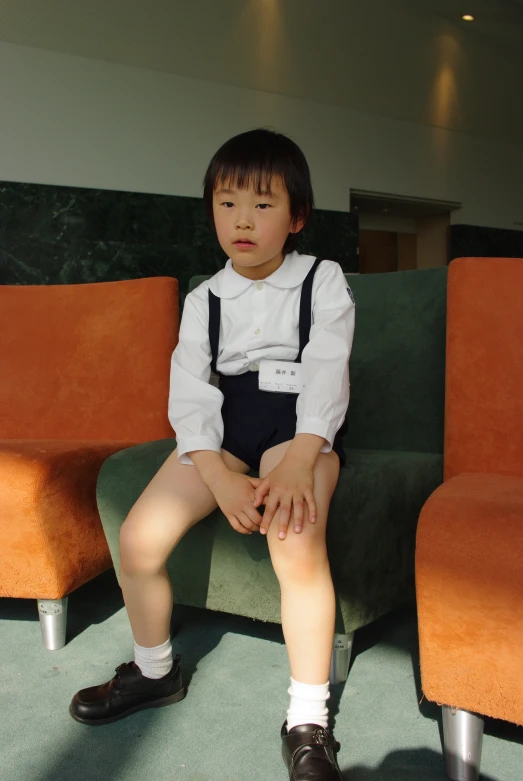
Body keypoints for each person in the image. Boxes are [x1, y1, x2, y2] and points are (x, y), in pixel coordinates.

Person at [69, 128, 355, 781]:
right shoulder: (205, 298)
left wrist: (299, 458)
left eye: (261, 204)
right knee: (139, 537)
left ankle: (307, 720)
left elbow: (326, 370)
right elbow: (191, 395)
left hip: (299, 429)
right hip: (222, 430)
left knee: (294, 539)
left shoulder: (322, 280)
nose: (242, 221)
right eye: (226, 204)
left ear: (296, 217)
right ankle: (153, 669)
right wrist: (217, 472)